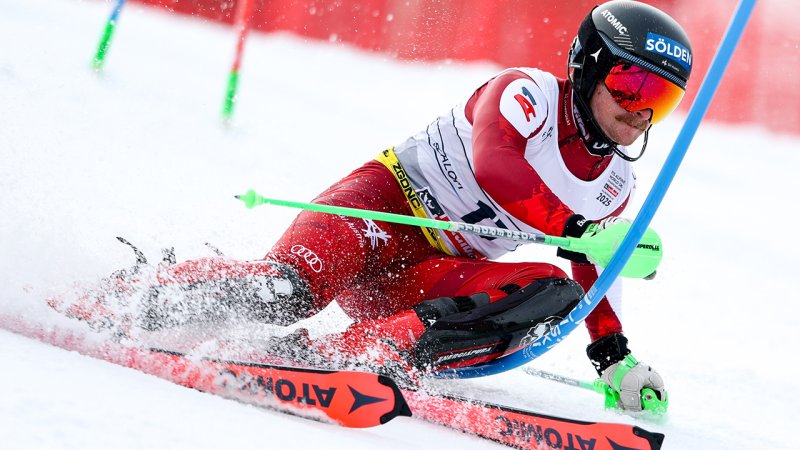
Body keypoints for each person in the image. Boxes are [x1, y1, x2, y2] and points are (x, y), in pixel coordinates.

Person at [55, 0, 692, 412]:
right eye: (630, 84)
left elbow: (593, 268)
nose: (639, 111)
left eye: (659, 100)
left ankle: (364, 352)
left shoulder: (614, 185)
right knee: (284, 293)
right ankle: (126, 298)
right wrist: (578, 228)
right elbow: (497, 167)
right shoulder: (524, 93)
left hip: (429, 277)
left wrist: (614, 356)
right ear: (588, 67)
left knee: (555, 290)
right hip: (376, 216)